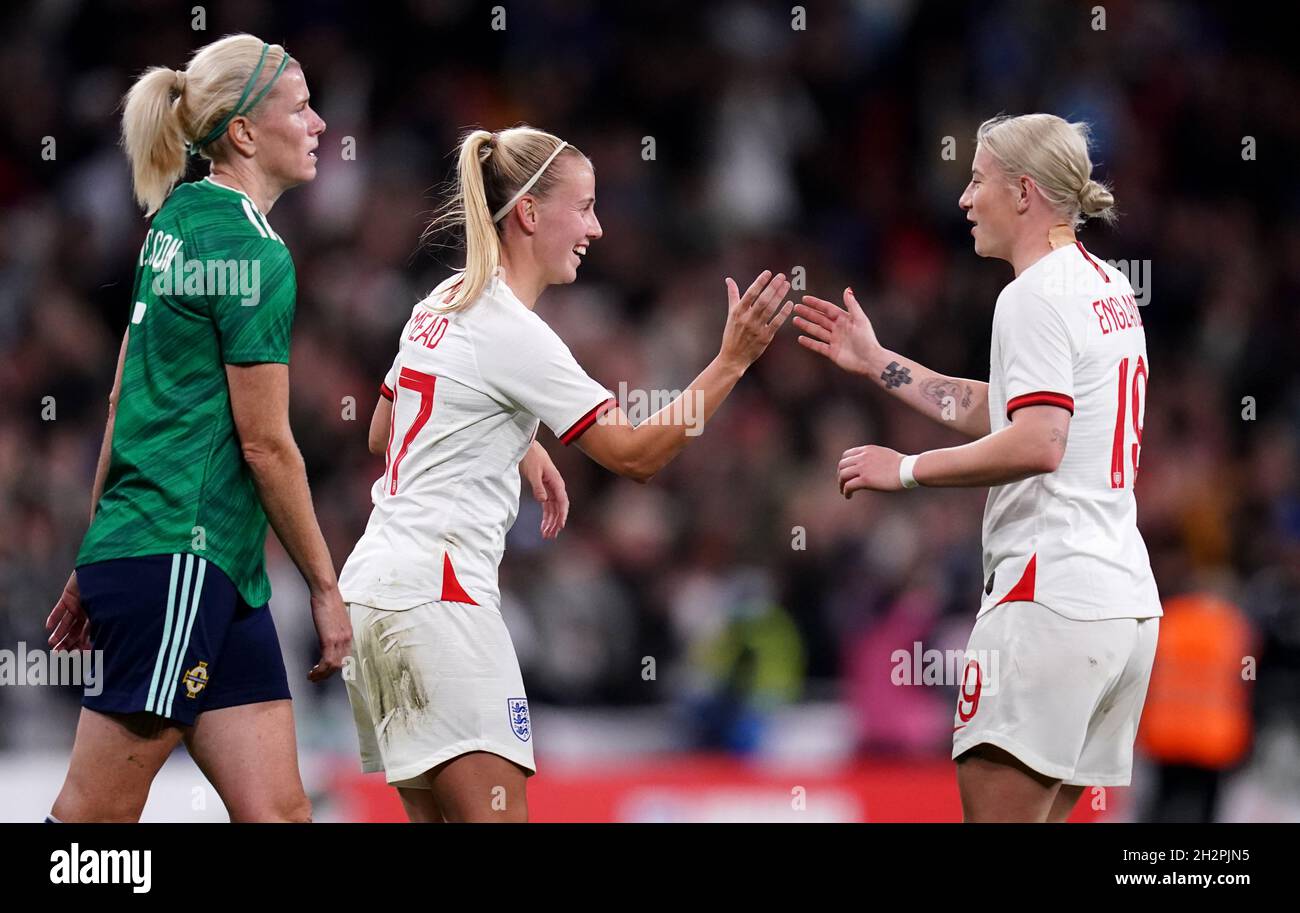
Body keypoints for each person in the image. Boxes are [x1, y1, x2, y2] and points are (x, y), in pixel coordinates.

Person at [339, 125, 792, 822]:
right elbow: (637, 454)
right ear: (528, 212)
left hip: (374, 593)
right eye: (582, 207)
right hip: (440, 596)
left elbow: (381, 432)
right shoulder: (514, 331)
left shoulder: (442, 302)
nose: (598, 228)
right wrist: (730, 361)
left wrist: (517, 439)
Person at [794, 113, 1161, 822]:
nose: (963, 199)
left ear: (1024, 192)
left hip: (1045, 599)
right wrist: (881, 364)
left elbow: (1038, 440)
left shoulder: (1029, 297)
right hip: (1121, 608)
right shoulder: (1108, 286)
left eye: (976, 180)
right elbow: (1013, 408)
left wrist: (905, 470)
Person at [44, 33, 349, 822]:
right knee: (91, 823)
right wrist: (324, 584)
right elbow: (266, 443)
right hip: (182, 554)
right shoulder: (253, 252)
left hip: (213, 570)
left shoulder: (176, 219)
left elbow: (122, 402)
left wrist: (97, 548)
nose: (320, 124)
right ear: (245, 132)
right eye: (303, 107)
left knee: (280, 813)